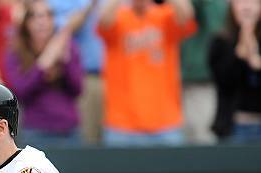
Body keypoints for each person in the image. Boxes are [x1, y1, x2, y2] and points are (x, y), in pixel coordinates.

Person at [98, 0, 197, 147]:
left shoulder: (165, 14)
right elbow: (103, 21)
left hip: (165, 123)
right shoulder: (118, 16)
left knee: (173, 169)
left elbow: (187, 15)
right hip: (122, 125)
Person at [3, 0, 83, 147]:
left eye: (48, 15)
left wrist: (65, 63)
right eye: (36, 16)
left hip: (69, 130)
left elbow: (78, 89)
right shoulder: (15, 52)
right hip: (36, 130)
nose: (43, 21)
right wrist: (43, 64)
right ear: (26, 23)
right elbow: (20, 92)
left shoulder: (67, 45)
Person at [49, 0, 106, 145]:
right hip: (85, 79)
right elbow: (61, 30)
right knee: (89, 140)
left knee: (111, 141)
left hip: (118, 77)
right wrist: (89, 6)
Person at [209, 0, 261, 143]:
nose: (247, 7)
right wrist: (240, 55)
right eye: (240, 2)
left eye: (253, 2)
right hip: (233, 128)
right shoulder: (220, 42)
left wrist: (256, 61)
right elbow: (224, 81)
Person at [180, 0, 227, 145]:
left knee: (203, 141)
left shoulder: (215, 5)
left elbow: (216, 26)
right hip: (172, 86)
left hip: (203, 84)